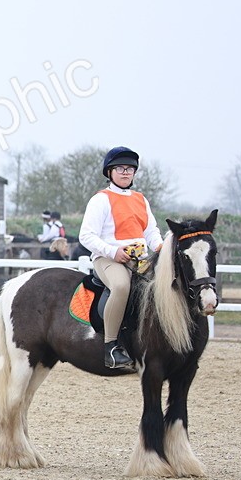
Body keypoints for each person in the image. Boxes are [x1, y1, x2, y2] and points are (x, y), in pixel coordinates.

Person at [78, 146, 163, 370]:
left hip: (140, 258)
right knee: (122, 286)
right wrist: (112, 251)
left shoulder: (140, 199)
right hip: (109, 259)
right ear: (110, 172)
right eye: (120, 168)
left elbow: (151, 231)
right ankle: (111, 347)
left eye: (130, 169)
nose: (125, 172)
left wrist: (160, 246)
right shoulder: (100, 200)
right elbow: (85, 235)